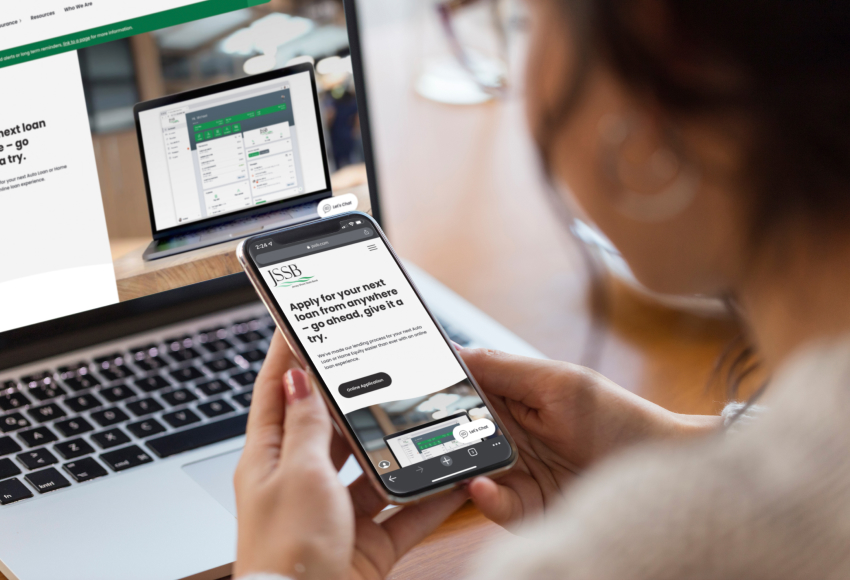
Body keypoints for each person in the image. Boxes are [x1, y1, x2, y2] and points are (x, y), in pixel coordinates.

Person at [232, 1, 850, 578]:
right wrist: (678, 445)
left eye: (528, 20)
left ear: (661, 67)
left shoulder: (647, 552)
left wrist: (282, 568)